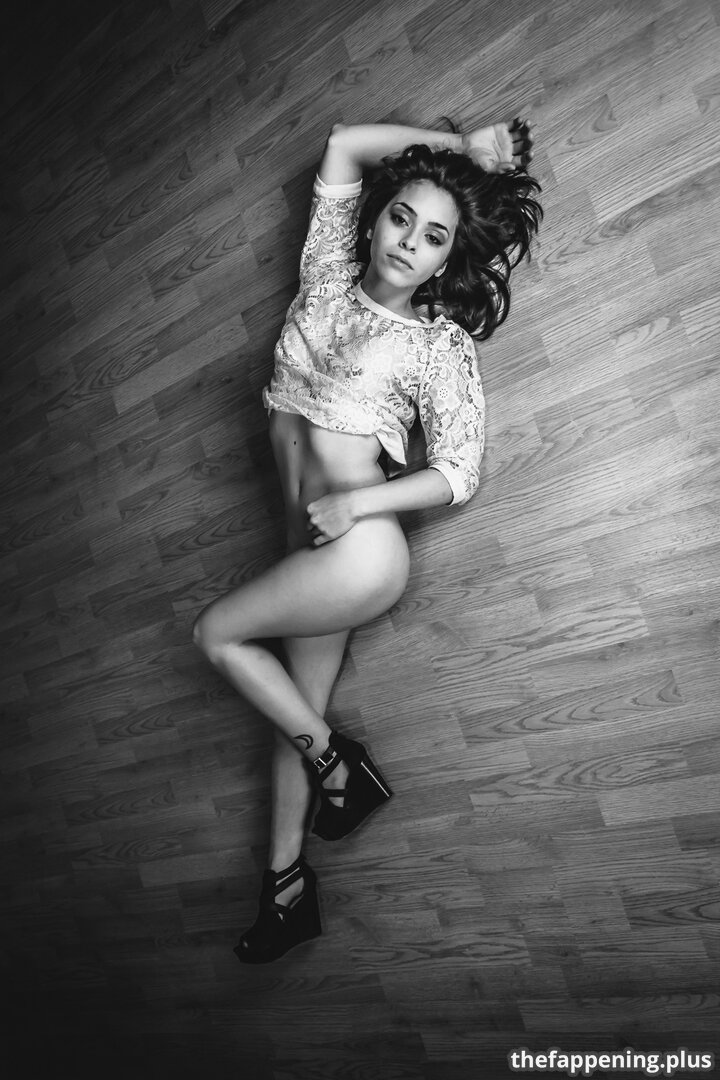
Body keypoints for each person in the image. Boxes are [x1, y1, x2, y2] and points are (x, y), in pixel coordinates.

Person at [192, 118, 542, 963]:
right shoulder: (325, 272)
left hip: (359, 550)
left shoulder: (437, 344)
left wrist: (358, 507)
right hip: (309, 554)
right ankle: (285, 889)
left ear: (445, 261)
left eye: (434, 238)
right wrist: (465, 151)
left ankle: (341, 765)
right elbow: (345, 142)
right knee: (293, 715)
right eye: (401, 218)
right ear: (378, 216)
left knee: (214, 636)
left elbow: (459, 471)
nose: (408, 243)